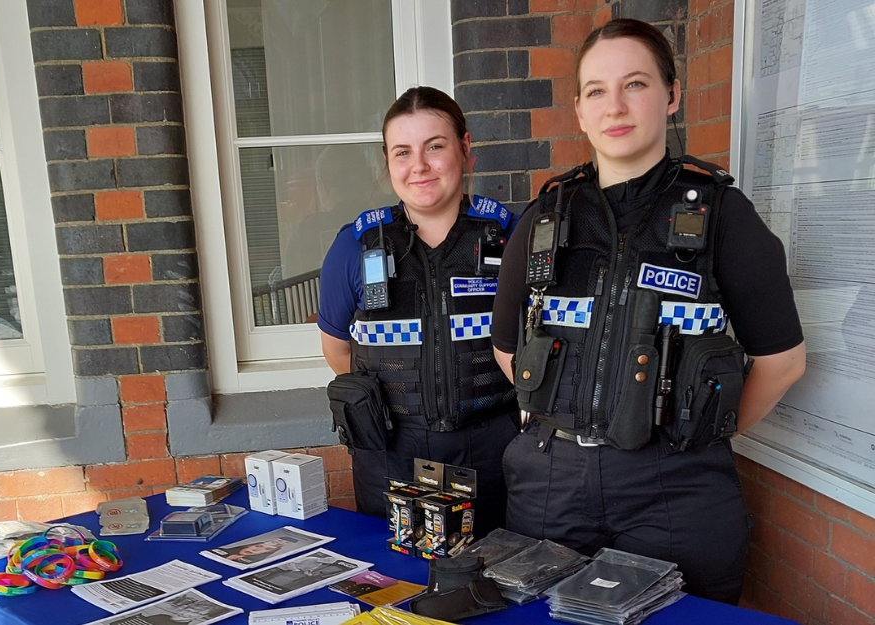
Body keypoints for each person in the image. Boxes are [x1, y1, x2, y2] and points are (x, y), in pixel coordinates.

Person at [491, 19, 805, 605]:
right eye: (596, 90)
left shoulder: (721, 214)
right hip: (550, 486)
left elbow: (782, 361)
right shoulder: (545, 219)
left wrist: (703, 429)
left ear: (672, 95)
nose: (616, 106)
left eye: (634, 84)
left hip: (677, 489)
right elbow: (507, 347)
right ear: (580, 112)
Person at [318, 86, 520, 534]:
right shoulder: (354, 247)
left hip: (492, 447)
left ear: (465, 148)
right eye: (403, 152)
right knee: (396, 585)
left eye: (435, 146)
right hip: (390, 450)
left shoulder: (513, 238)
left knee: (499, 578)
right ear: (387, 162)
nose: (419, 167)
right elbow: (338, 352)